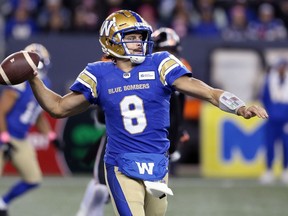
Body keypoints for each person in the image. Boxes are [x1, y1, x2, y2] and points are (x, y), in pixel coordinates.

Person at [27, 10, 268, 216]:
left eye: (140, 37)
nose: (139, 43)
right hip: (121, 164)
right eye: (130, 37)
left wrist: (240, 107)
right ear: (112, 41)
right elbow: (58, 107)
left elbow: (209, 92)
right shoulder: (98, 73)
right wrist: (33, 78)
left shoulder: (161, 63)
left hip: (156, 165)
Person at [0, 43, 58, 216]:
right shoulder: (20, 83)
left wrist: (51, 136)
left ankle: (3, 202)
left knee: (33, 179)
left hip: (20, 138)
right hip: (4, 136)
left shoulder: (45, 83)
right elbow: (1, 111)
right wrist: (4, 139)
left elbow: (37, 114)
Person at [151, 27, 191, 175]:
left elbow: (180, 100)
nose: (168, 55)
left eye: (171, 50)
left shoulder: (181, 65)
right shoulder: (144, 67)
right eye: (164, 50)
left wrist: (179, 127)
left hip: (170, 111)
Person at [259, 58, 288, 185]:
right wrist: (268, 113)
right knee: (269, 145)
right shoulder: (269, 80)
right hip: (271, 120)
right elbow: (264, 98)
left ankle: (285, 170)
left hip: (285, 120)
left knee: (286, 146)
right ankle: (269, 170)